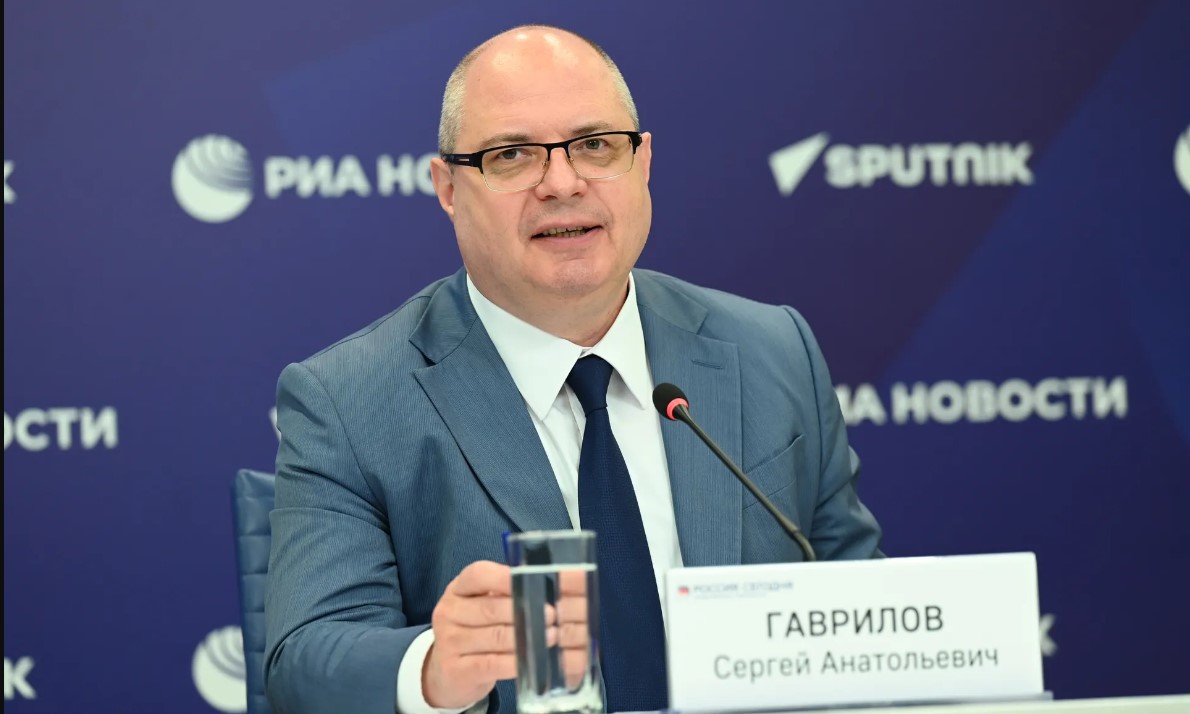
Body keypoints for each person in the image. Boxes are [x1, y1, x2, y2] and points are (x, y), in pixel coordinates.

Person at [264, 24, 882, 714]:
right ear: (448, 187)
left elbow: (861, 607)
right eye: (511, 155)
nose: (562, 183)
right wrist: (435, 667)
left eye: (595, 145)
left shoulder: (773, 351)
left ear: (643, 163)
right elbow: (307, 663)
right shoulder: (348, 400)